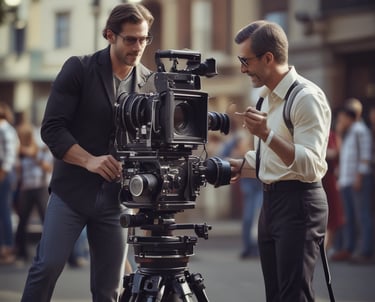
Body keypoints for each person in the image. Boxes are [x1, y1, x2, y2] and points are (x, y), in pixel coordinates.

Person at [21, 3, 155, 302]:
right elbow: (52, 128)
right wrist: (89, 160)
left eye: (143, 39)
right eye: (130, 39)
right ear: (110, 35)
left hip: (117, 200)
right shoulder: (79, 68)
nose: (138, 46)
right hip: (72, 194)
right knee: (47, 267)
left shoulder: (148, 82)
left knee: (109, 290)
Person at [228, 21, 331, 301]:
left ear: (268, 58)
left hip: (300, 203)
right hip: (271, 203)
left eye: (245, 60)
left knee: (293, 296)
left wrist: (266, 134)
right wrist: (238, 165)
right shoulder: (265, 100)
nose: (242, 68)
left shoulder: (306, 97)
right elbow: (269, 159)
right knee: (275, 296)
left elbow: (310, 165)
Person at [332, 104, 373, 263]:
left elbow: (365, 156)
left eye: (342, 117)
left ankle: (365, 251)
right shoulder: (349, 133)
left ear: (350, 117)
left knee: (362, 216)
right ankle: (349, 249)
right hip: (346, 180)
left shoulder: (360, 131)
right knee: (349, 217)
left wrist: (359, 177)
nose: (340, 120)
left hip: (357, 180)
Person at [14, 122, 52, 263]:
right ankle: (22, 253)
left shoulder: (41, 150)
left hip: (40, 187)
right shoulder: (20, 153)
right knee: (22, 221)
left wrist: (35, 157)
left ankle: (54, 254)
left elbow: (48, 168)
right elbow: (17, 170)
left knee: (47, 221)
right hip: (26, 188)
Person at [0, 101, 19, 265]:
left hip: (4, 172)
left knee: (4, 210)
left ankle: (7, 247)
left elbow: (10, 154)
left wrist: (3, 172)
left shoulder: (4, 128)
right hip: (5, 172)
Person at [322, 128, 345, 254]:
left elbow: (335, 153)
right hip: (321, 178)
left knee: (332, 213)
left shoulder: (332, 134)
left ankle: (329, 246)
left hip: (329, 177)